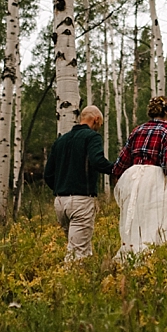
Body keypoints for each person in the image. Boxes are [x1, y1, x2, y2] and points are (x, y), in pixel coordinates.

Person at [112, 95, 167, 255]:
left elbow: (121, 163)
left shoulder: (137, 130)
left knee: (137, 219)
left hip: (133, 177)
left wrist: (122, 179)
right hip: (154, 177)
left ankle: (133, 255)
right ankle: (155, 255)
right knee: (160, 218)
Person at [43, 105, 113, 259]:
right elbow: (97, 161)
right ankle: (68, 281)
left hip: (60, 202)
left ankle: (84, 280)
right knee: (77, 253)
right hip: (80, 200)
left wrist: (61, 187)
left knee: (78, 247)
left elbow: (48, 174)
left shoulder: (61, 140)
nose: (99, 128)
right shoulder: (92, 137)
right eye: (100, 124)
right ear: (96, 119)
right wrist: (117, 169)